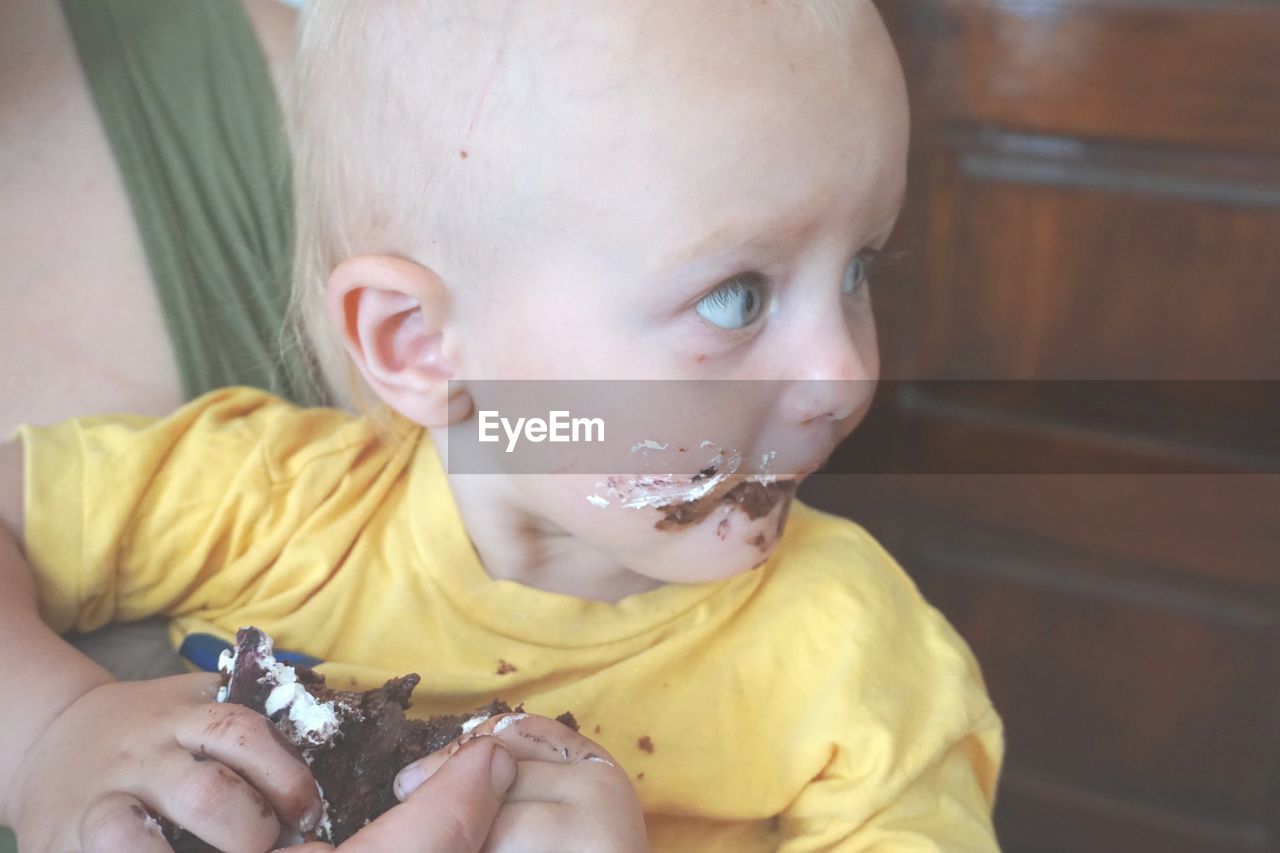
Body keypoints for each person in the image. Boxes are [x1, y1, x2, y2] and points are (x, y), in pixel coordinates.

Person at [0, 1, 1004, 851]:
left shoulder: (859, 667)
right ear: (422, 345)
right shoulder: (266, 503)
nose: (843, 372)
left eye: (858, 268)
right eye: (735, 295)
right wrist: (49, 730)